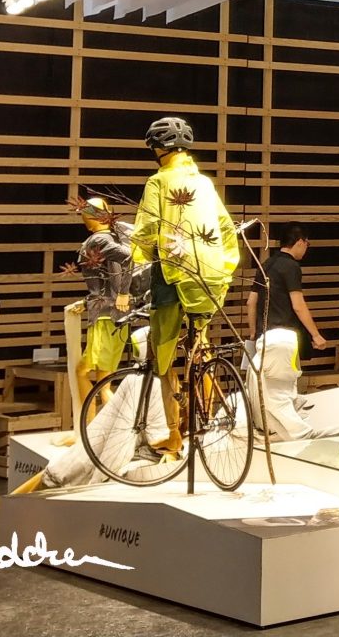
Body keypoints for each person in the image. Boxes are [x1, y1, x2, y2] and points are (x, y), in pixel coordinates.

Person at [130, 115, 240, 455]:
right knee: (200, 346)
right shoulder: (204, 183)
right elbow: (226, 227)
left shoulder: (158, 182)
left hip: (173, 274)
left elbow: (146, 230)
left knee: (163, 356)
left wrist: (138, 259)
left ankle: (175, 436)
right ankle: (204, 420)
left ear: (158, 149)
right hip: (209, 275)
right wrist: (225, 267)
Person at [65, 199, 136, 423]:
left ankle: (96, 427)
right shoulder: (111, 238)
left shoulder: (99, 240)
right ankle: (98, 429)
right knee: (102, 379)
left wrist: (123, 293)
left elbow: (129, 257)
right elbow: (106, 280)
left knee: (85, 373)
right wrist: (87, 303)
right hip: (114, 314)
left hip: (106, 317)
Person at [252, 223, 329, 360]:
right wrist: (316, 335)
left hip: (263, 336)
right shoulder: (291, 266)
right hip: (284, 337)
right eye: (307, 243)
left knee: (266, 373)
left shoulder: (265, 265)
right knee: (287, 373)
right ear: (300, 242)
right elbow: (298, 305)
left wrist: (253, 333)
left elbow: (251, 302)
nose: (306, 248)